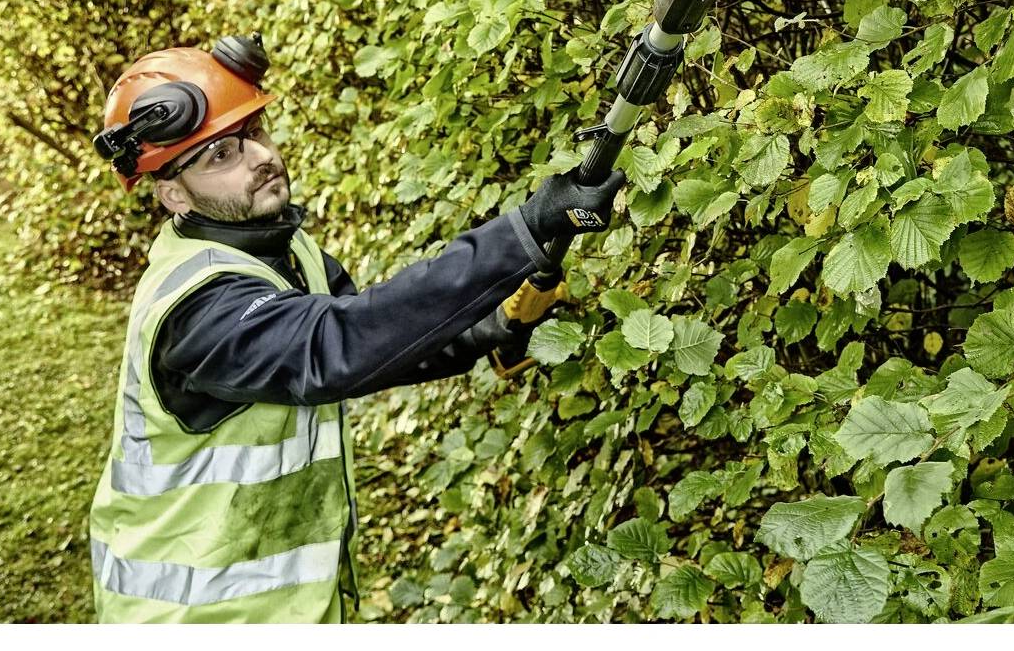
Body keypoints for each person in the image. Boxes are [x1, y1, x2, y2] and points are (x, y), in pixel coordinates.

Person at [83, 33, 620, 623]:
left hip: (280, 610)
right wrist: (520, 232)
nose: (260, 158)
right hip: (190, 617)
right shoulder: (196, 307)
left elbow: (376, 343)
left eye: (254, 133)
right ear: (172, 195)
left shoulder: (284, 251)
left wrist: (484, 329)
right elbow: (334, 347)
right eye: (220, 156)